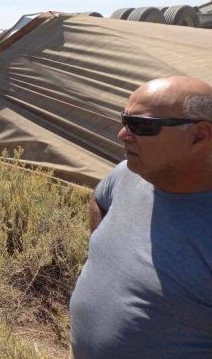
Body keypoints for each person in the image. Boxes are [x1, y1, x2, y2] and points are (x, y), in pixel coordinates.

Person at [69, 76, 212, 357]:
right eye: (125, 120)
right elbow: (99, 199)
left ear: (200, 136)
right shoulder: (128, 173)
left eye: (142, 125)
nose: (122, 134)